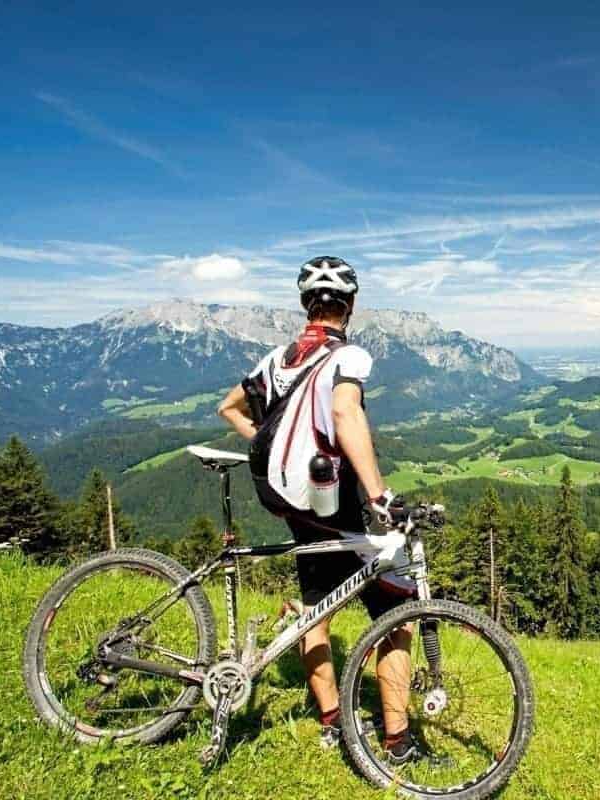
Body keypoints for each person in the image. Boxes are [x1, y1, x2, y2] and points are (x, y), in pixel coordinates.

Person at [216, 256, 419, 761]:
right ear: (350, 306)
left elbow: (228, 408)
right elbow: (345, 413)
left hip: (297, 507)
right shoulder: (347, 357)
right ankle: (397, 744)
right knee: (397, 619)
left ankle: (331, 722)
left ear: (307, 304)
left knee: (315, 612)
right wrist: (379, 496)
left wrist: (265, 444)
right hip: (339, 506)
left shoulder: (277, 359)